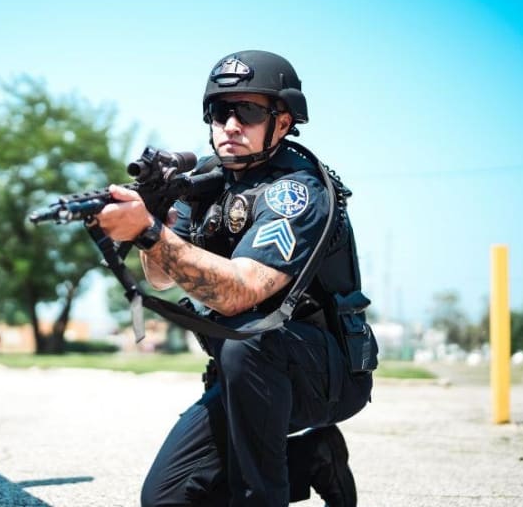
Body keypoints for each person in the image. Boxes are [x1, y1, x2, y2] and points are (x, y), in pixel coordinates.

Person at [95, 49, 374, 506]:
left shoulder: (296, 192)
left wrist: (145, 230)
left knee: (248, 341)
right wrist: (155, 218)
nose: (230, 125)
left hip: (322, 373)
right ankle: (311, 456)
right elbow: (162, 277)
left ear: (282, 122)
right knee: (166, 499)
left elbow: (239, 293)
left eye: (248, 111)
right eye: (220, 111)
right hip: (247, 371)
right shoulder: (206, 182)